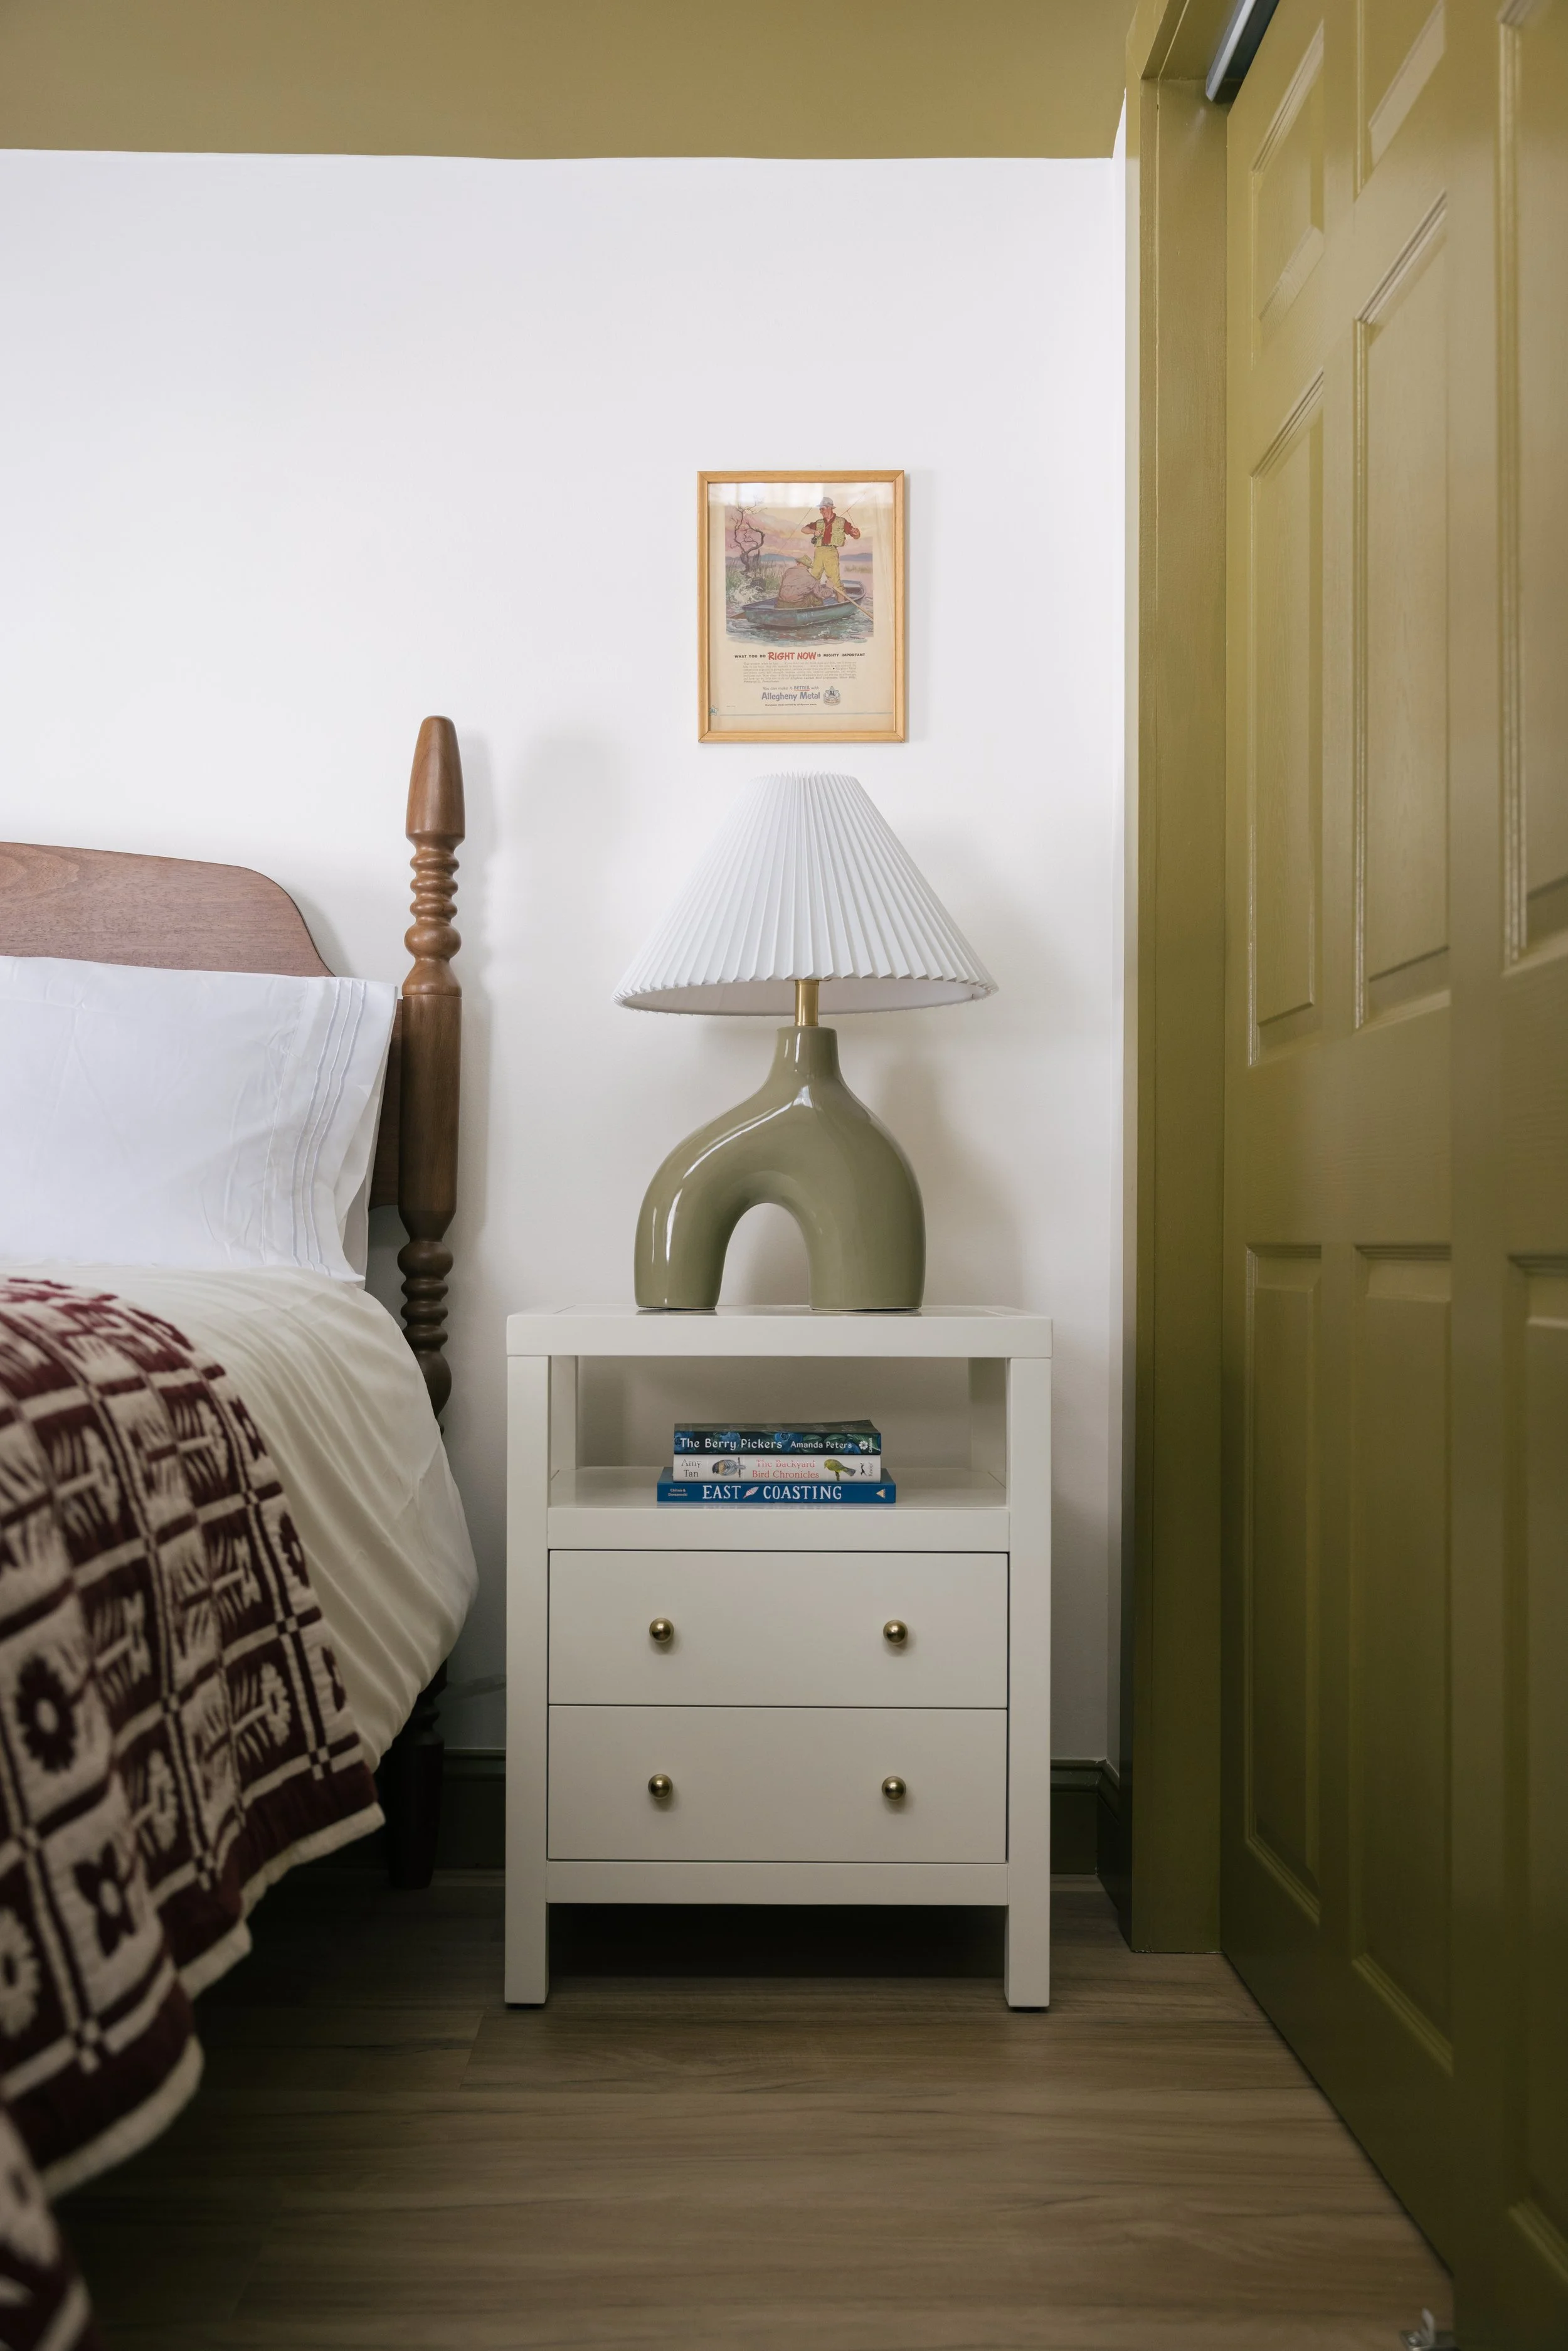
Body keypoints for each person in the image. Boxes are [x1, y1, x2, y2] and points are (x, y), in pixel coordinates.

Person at [801, 496, 860, 601]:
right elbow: (804, 529)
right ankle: (813, 603)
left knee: (835, 580)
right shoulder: (818, 523)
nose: (821, 512)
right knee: (814, 578)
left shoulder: (842, 522)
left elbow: (855, 536)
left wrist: (857, 533)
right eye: (820, 509)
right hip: (818, 552)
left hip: (831, 553)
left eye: (822, 509)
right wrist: (813, 532)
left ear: (829, 508)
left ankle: (841, 603)